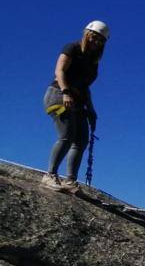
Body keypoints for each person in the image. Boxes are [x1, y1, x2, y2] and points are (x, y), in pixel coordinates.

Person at [41, 20, 109, 192]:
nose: (97, 42)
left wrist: (91, 110)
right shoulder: (72, 48)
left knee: (81, 140)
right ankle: (49, 175)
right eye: (94, 38)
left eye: (101, 40)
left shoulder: (93, 62)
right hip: (58, 94)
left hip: (79, 101)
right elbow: (60, 71)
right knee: (67, 135)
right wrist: (65, 92)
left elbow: (85, 87)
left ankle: (70, 180)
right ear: (87, 35)